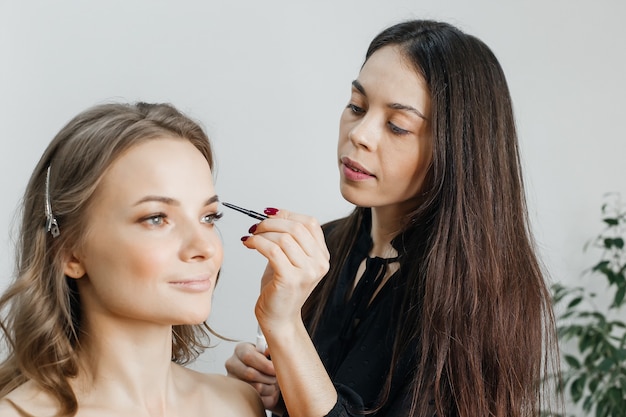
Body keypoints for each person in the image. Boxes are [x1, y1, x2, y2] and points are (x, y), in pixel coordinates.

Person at [225, 19, 560, 417]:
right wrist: (278, 386)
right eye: (356, 106)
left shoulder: (481, 292)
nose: (360, 134)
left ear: (456, 151)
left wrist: (284, 327)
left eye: (398, 126)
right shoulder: (324, 250)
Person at [0, 102, 266, 417]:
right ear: (68, 250)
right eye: (156, 218)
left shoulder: (239, 404)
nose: (205, 247)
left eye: (208, 217)